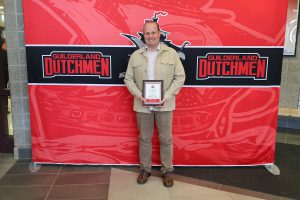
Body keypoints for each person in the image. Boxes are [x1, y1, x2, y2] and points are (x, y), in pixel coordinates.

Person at [124, 21, 186, 187]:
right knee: (144, 138)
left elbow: (180, 77)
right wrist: (139, 96)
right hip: (142, 105)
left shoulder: (171, 54)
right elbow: (128, 79)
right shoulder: (136, 55)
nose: (150, 36)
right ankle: (145, 169)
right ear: (143, 36)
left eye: (153, 33)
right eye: (147, 33)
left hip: (165, 104)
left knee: (165, 139)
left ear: (159, 34)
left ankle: (167, 171)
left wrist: (166, 95)